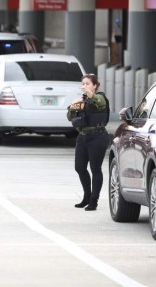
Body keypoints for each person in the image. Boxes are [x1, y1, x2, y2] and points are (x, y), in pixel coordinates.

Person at [66, 73, 110, 211]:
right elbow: (70, 117)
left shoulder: (100, 97)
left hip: (97, 136)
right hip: (82, 136)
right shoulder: (81, 100)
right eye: (83, 84)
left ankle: (93, 200)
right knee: (79, 167)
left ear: (95, 85)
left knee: (95, 169)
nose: (84, 86)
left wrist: (90, 94)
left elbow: (99, 101)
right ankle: (86, 196)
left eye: (88, 84)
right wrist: (73, 105)